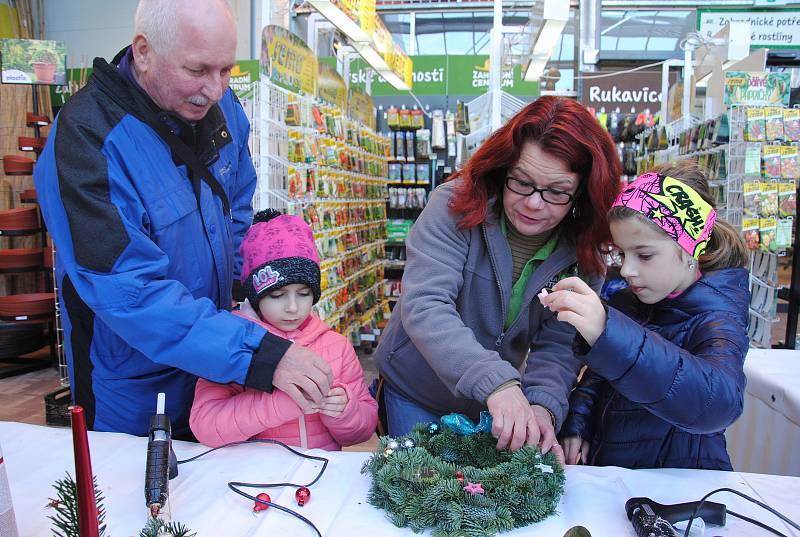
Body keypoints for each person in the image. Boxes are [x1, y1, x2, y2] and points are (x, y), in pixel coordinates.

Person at [33, 0, 332, 438]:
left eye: (226, 70)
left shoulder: (224, 110)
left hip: (216, 368)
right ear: (143, 51)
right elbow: (129, 293)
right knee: (135, 497)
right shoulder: (87, 140)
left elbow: (236, 206)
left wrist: (244, 295)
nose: (215, 90)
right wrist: (257, 353)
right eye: (197, 70)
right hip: (131, 383)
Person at [373, 96, 622, 457]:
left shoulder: (584, 249)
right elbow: (426, 306)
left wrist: (542, 407)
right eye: (521, 182)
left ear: (582, 192)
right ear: (503, 169)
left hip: (495, 407)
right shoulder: (453, 206)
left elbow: (559, 345)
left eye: (556, 191)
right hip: (417, 391)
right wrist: (498, 383)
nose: (534, 203)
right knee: (418, 501)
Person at [546, 162, 750, 470]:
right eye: (622, 254)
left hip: (680, 491)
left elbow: (718, 402)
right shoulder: (631, 301)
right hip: (617, 475)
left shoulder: (717, 317)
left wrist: (609, 332)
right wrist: (578, 422)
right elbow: (600, 375)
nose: (627, 270)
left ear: (689, 249)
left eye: (644, 255)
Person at [190, 210, 378, 449]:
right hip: (254, 481)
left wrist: (345, 410)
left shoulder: (336, 347)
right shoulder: (233, 344)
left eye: (304, 294)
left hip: (319, 478)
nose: (292, 308)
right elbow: (206, 427)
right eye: (277, 295)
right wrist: (281, 403)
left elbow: (361, 431)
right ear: (256, 297)